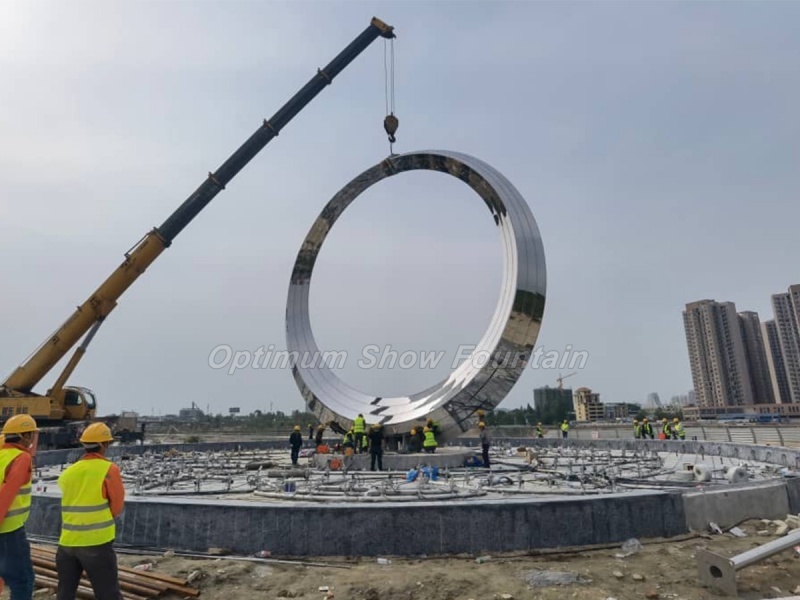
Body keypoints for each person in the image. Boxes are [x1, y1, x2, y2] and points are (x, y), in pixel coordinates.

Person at [57, 422, 125, 600]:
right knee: (108, 594)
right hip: (97, 543)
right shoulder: (109, 469)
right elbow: (117, 506)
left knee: (65, 593)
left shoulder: (68, 472)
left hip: (67, 543)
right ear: (103, 445)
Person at [0, 415, 38, 600]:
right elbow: (6, 493)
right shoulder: (21, 458)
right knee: (23, 581)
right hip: (9, 529)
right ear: (26, 435)